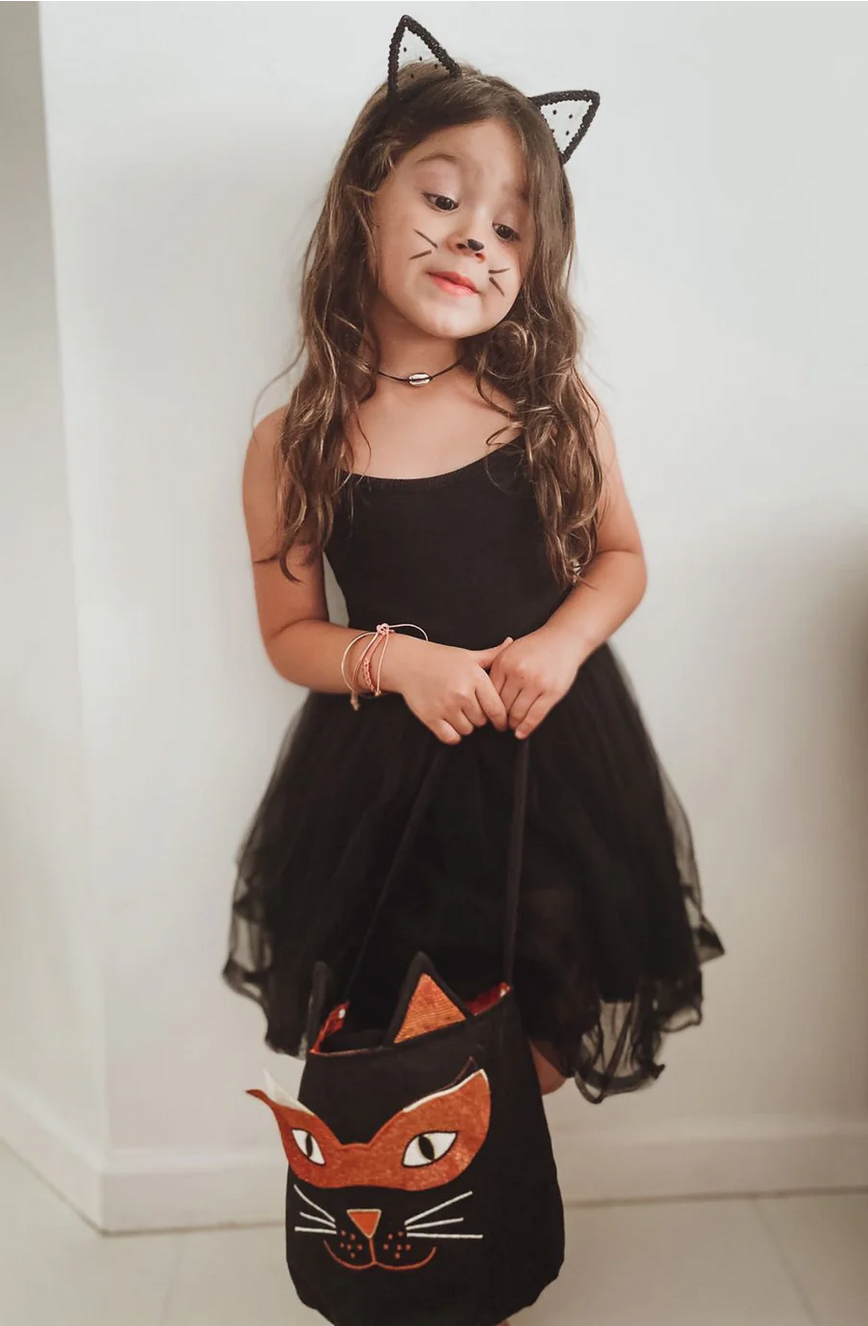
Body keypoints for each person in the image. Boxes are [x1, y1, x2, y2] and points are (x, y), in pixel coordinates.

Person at [222, 16, 725, 1149]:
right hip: (386, 785)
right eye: (443, 201)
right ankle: (422, 1266)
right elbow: (290, 633)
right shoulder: (292, 441)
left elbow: (621, 557)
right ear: (365, 201)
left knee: (529, 1035)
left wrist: (560, 643)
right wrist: (396, 660)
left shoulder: (550, 405)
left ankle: (487, 1239)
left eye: (510, 226)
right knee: (403, 1031)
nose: (475, 241)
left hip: (553, 762)